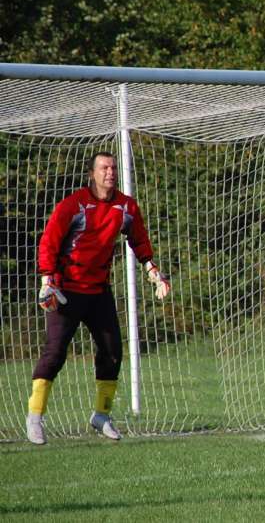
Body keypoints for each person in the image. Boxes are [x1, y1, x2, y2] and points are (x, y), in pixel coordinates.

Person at [26, 151, 171, 445]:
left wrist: (154, 273)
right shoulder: (73, 204)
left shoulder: (126, 207)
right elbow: (49, 241)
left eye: (114, 167)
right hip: (66, 291)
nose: (111, 172)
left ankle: (101, 415)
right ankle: (35, 416)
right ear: (92, 173)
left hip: (98, 291)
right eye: (104, 168)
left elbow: (139, 240)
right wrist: (47, 279)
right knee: (54, 354)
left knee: (112, 351)